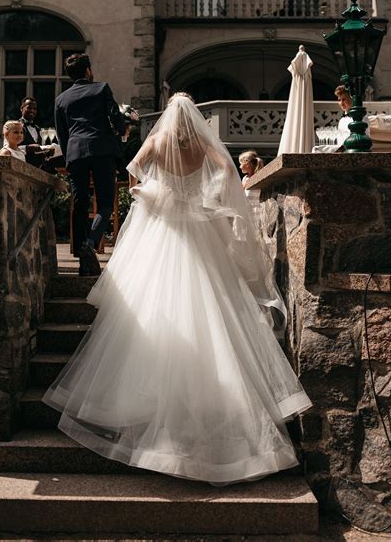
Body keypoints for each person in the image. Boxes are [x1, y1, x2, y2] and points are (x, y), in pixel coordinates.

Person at [44, 92, 311, 486]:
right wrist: (210, 195)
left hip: (164, 225)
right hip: (198, 225)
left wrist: (150, 190)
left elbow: (133, 167)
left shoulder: (157, 141)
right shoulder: (203, 144)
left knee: (156, 304)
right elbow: (228, 171)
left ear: (169, 115)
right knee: (213, 305)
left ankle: (145, 402)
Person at [54, 53, 127, 276]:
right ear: (87, 70)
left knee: (79, 202)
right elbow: (115, 116)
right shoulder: (101, 88)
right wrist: (123, 129)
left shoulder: (61, 99)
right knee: (105, 202)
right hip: (102, 150)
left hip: (76, 153)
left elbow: (62, 134)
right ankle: (91, 241)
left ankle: (80, 254)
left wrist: (69, 157)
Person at [239, 150, 264, 223]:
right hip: (247, 210)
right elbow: (241, 192)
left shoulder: (259, 177)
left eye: (241, 163)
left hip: (257, 210)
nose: (239, 167)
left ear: (247, 164)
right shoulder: (245, 178)